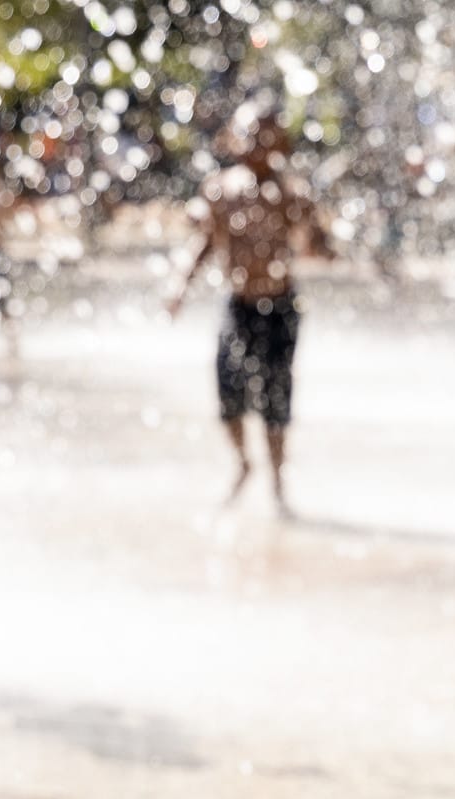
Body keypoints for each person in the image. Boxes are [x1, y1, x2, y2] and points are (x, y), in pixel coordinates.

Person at [169, 97, 331, 513]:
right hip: (238, 304)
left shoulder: (291, 192)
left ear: (281, 140)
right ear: (235, 139)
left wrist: (320, 237)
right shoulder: (221, 190)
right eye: (251, 132)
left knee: (277, 395)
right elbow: (204, 241)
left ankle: (278, 483)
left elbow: (320, 246)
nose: (258, 140)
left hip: (280, 307)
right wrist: (180, 285)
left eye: (267, 132)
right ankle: (244, 463)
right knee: (228, 392)